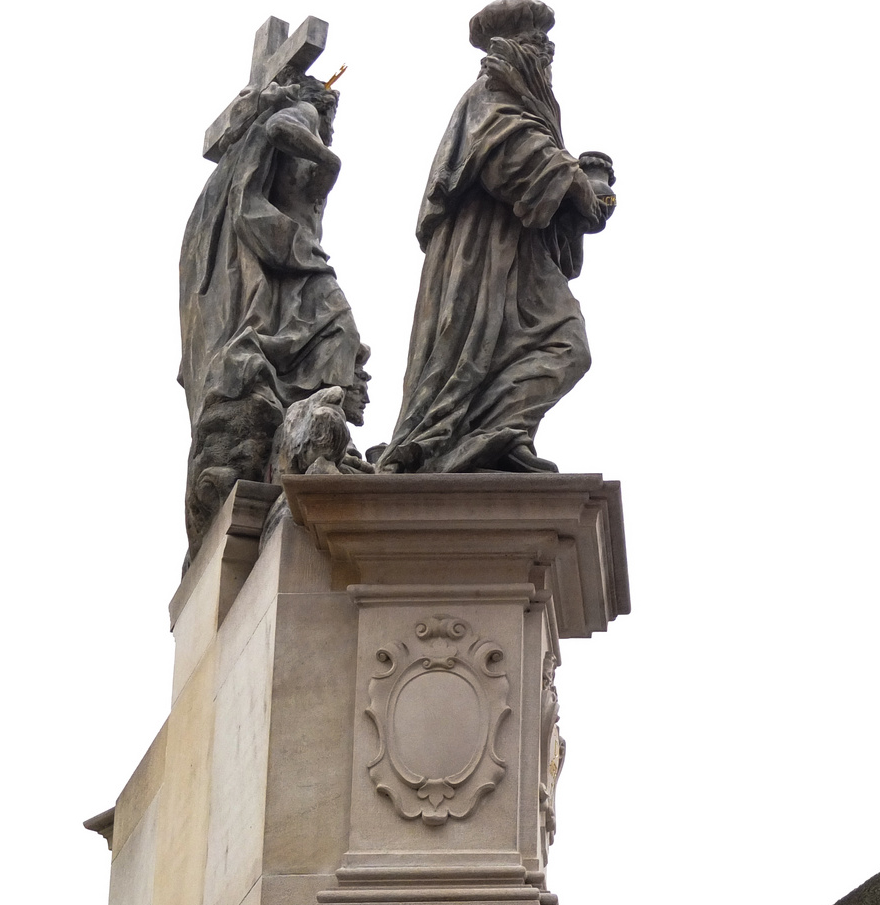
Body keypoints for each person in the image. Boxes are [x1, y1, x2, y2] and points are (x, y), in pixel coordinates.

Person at [370, 0, 615, 474]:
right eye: (539, 46)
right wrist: (576, 181)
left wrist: (578, 193)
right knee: (565, 343)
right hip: (485, 253)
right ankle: (477, 435)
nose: (548, 56)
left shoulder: (520, 97)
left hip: (519, 252)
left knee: (557, 345)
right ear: (516, 47)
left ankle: (494, 434)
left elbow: (534, 164)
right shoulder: (490, 89)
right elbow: (506, 153)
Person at [178, 74, 372, 566]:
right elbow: (282, 129)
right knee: (339, 324)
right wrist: (328, 158)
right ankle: (319, 427)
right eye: (329, 112)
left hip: (288, 257)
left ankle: (315, 430)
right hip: (291, 254)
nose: (329, 124)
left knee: (328, 329)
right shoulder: (304, 115)